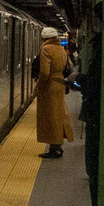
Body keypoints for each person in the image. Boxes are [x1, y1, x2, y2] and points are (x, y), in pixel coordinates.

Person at [78, 5, 104, 206]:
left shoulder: (103, 47)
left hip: (97, 118)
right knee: (94, 172)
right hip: (97, 116)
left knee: (95, 171)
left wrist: (78, 80)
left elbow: (96, 87)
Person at [36, 26, 73, 158]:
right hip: (60, 83)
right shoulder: (61, 49)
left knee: (50, 117)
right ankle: (57, 146)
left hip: (50, 86)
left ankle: (54, 148)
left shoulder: (46, 49)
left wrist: (40, 86)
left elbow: (45, 72)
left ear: (44, 38)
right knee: (58, 115)